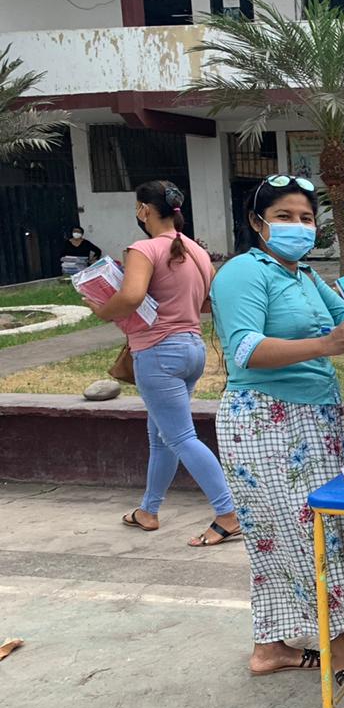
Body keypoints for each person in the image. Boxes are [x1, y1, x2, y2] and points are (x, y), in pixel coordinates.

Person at [211, 174, 344, 689]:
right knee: (305, 536)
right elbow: (245, 349)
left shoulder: (304, 275)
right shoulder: (243, 272)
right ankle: (340, 647)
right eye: (284, 216)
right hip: (265, 419)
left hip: (315, 419)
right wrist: (328, 345)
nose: (298, 227)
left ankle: (270, 648)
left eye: (306, 218)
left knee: (288, 537)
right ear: (256, 222)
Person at [84, 180, 239, 549]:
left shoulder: (143, 249)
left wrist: (103, 311)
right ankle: (148, 510)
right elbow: (208, 301)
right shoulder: (196, 251)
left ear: (144, 210)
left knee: (180, 437)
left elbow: (132, 296)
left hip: (157, 353)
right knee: (161, 437)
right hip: (192, 350)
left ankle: (229, 514)